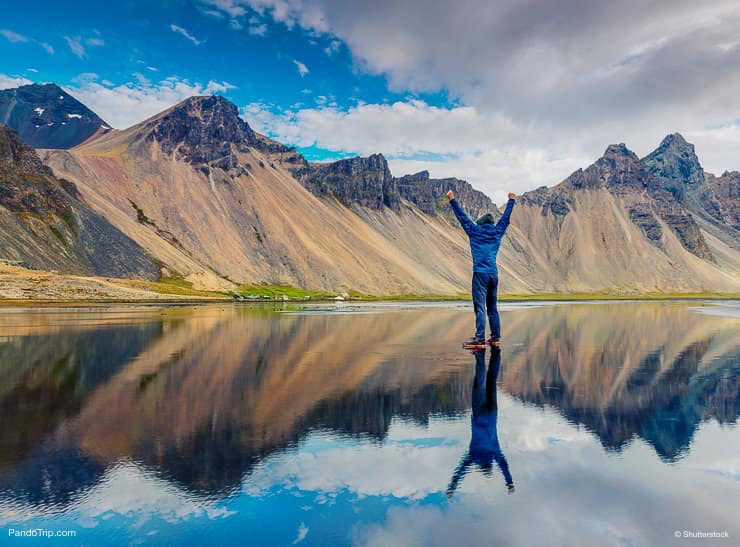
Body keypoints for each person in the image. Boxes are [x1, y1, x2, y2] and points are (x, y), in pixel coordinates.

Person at [446, 189, 515, 347]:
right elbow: (505, 218)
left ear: (481, 223)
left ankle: (479, 339)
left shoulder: (474, 231)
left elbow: (462, 217)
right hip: (493, 274)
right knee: (492, 307)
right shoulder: (497, 232)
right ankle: (495, 338)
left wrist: (452, 200)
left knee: (480, 307)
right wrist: (511, 201)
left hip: (480, 275)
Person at [447, 347, 514, 498]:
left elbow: (504, 467)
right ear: (481, 466)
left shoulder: (495, 454)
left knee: (491, 381)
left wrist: (510, 482)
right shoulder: (474, 456)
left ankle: (496, 352)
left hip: (492, 413)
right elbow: (461, 470)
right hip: (478, 414)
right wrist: (452, 486)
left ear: (490, 465)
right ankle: (479, 354)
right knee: (479, 382)